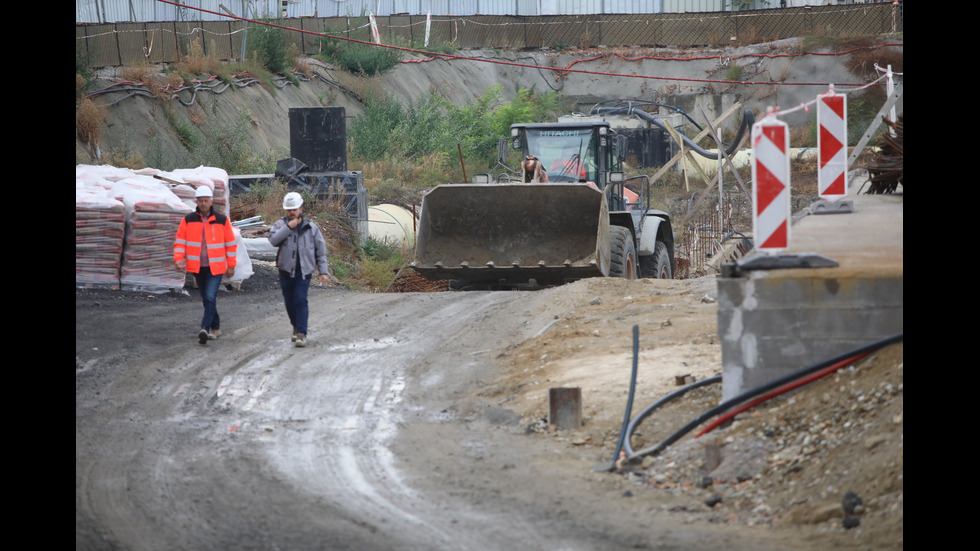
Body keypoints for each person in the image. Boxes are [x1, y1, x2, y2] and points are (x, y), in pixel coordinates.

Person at [174, 185, 237, 345]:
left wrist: (231, 265)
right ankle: (216, 327)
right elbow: (180, 242)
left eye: (206, 201)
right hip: (197, 267)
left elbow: (230, 244)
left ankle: (205, 328)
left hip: (215, 268)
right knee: (206, 299)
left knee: (210, 296)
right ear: (196, 201)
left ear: (211, 201)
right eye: (200, 201)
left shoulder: (222, 220)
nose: (203, 203)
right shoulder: (188, 220)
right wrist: (178, 258)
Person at [268, 192, 330, 348]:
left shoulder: (311, 228)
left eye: (294, 209)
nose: (292, 212)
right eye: (289, 210)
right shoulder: (280, 225)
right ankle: (295, 325)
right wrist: (289, 227)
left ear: (301, 209)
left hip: (304, 272)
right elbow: (273, 240)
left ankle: (302, 333)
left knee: (300, 299)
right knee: (289, 302)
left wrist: (323, 271)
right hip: (285, 271)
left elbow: (320, 251)